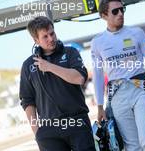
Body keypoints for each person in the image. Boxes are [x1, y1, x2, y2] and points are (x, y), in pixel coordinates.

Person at [91, 0, 145, 150]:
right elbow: (98, 75)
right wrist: (100, 106)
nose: (120, 14)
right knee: (132, 147)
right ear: (104, 16)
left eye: (122, 9)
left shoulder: (137, 33)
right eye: (115, 11)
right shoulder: (97, 42)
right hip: (117, 96)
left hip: (140, 90)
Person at [19, 16, 95, 151]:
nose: (51, 38)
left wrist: (49, 67)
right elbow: (27, 100)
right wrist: (37, 132)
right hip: (48, 130)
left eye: (52, 33)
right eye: (45, 36)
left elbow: (79, 78)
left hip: (77, 122)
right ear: (36, 40)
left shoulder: (70, 52)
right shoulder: (28, 65)